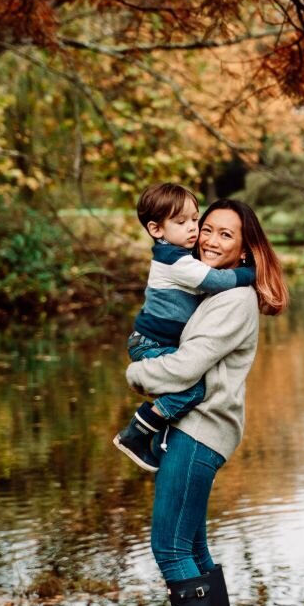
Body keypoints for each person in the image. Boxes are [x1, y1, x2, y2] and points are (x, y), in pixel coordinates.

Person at [125, 198, 288, 606]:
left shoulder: (232, 299)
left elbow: (184, 367)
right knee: (192, 549)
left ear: (246, 246)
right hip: (194, 428)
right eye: (208, 230)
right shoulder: (205, 285)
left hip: (201, 431)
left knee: (169, 547)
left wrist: (136, 375)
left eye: (227, 235)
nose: (212, 240)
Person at [113, 182, 258, 473]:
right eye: (182, 222)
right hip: (150, 343)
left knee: (188, 387)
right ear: (156, 230)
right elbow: (217, 281)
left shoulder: (181, 256)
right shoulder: (176, 261)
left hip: (153, 340)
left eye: (195, 219)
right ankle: (138, 432)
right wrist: (250, 272)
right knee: (194, 388)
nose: (193, 228)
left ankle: (152, 431)